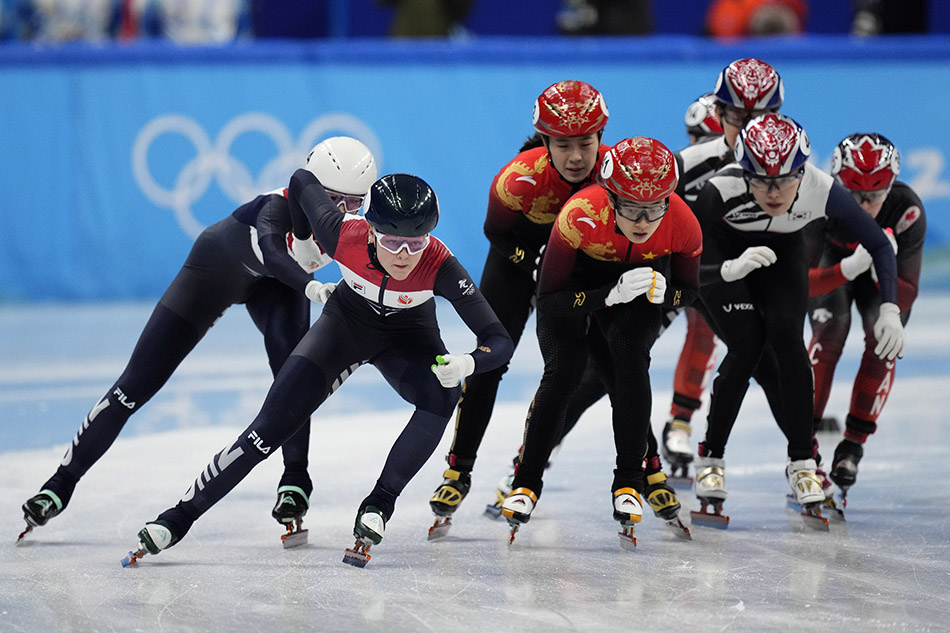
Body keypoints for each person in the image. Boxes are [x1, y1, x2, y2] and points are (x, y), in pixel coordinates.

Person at [122, 172, 514, 568]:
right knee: (267, 429)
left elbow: (498, 339)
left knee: (442, 395)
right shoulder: (341, 232)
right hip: (344, 327)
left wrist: (468, 362)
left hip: (409, 337)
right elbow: (302, 179)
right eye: (394, 241)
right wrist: (307, 244)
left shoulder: (441, 263)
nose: (404, 255)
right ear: (372, 230)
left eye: (416, 242)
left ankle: (379, 503)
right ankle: (178, 517)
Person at [20, 137, 377, 542]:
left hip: (278, 288)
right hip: (215, 270)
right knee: (136, 384)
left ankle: (295, 480)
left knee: (293, 379)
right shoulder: (276, 209)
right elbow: (274, 254)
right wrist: (312, 288)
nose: (343, 213)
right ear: (311, 190)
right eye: (333, 199)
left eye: (355, 203)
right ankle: (60, 483)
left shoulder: (353, 227)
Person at [690, 113, 906, 527]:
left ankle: (802, 461)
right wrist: (723, 272)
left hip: (783, 253)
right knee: (748, 346)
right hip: (726, 259)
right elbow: (680, 261)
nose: (775, 192)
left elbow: (880, 244)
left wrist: (891, 308)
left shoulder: (820, 186)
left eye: (786, 180)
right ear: (744, 172)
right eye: (763, 181)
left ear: (802, 171)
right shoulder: (721, 189)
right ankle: (711, 457)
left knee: (789, 345)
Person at [427, 80, 611, 531]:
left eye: (585, 144)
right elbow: (497, 234)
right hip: (516, 260)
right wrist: (535, 264)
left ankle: (529, 465)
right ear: (545, 141)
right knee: (489, 362)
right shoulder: (518, 179)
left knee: (584, 367)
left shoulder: (614, 175)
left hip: (576, 269)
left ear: (600, 139)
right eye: (562, 144)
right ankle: (459, 467)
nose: (574, 157)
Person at [501, 137, 702, 546]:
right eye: (630, 207)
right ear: (610, 198)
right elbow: (550, 299)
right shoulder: (578, 216)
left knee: (629, 361)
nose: (643, 222)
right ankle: (526, 481)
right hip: (573, 292)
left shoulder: (682, 221)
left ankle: (629, 480)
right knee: (564, 371)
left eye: (654, 207)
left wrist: (667, 294)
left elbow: (690, 291)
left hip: (639, 290)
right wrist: (605, 296)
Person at [662, 58, 785, 481]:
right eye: (692, 137)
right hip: (675, 260)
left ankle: (680, 423)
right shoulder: (688, 162)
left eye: (705, 137)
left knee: (711, 334)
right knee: (614, 352)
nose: (698, 144)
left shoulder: (758, 166)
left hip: (718, 266)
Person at [807, 133, 925, 504]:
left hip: (877, 279)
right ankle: (803, 448)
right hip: (832, 266)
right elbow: (803, 286)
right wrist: (847, 267)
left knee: (883, 341)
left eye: (873, 196)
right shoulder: (817, 203)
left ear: (890, 188)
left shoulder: (907, 209)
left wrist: (878, 272)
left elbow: (906, 290)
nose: (863, 205)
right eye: (853, 195)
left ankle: (853, 446)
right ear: (837, 184)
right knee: (830, 331)